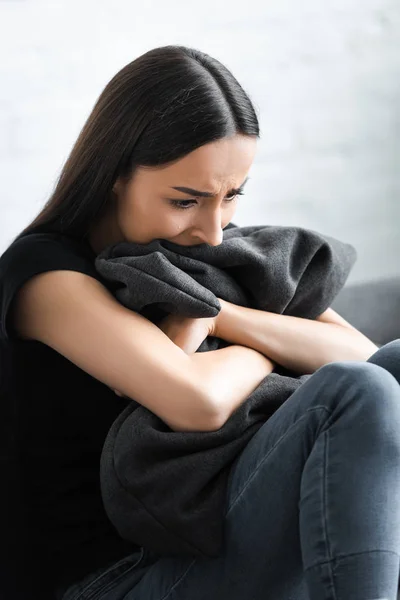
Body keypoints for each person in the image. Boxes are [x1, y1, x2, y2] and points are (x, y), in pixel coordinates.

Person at [0, 44, 399, 600]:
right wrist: (265, 344)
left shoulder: (202, 254)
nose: (214, 230)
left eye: (231, 196)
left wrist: (221, 319)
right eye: (186, 200)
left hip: (209, 543)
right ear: (116, 173)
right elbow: (196, 401)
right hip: (112, 580)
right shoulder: (43, 274)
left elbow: (369, 354)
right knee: (352, 391)